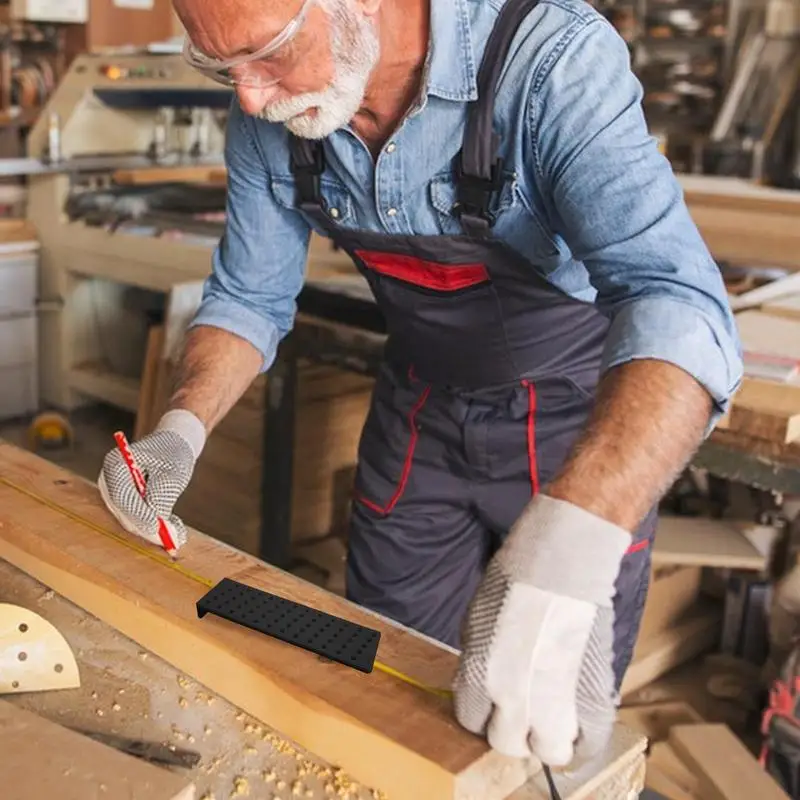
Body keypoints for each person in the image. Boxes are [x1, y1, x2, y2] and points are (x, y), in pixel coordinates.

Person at [99, 0, 742, 772]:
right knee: (383, 687)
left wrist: (580, 535)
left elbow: (678, 303)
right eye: (220, 66)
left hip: (575, 434)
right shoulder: (273, 104)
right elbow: (248, 298)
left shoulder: (549, 62)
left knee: (537, 724)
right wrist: (180, 433)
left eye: (265, 54)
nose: (248, 98)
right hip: (421, 414)